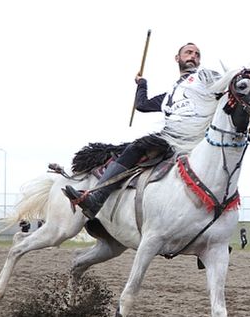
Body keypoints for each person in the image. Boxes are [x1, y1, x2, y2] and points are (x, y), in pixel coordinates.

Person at [63, 43, 221, 219]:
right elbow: (142, 105)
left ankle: (96, 199)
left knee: (137, 147)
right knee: (124, 150)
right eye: (188, 52)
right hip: (169, 136)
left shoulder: (204, 77)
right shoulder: (170, 94)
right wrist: (142, 84)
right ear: (177, 58)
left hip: (191, 137)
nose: (193, 56)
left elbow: (225, 87)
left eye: (197, 54)